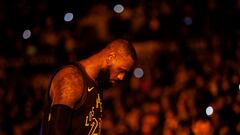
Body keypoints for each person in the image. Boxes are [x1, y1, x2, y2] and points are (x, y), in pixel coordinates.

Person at [41, 39, 137, 135]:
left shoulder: (97, 83)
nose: (121, 77)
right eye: (121, 70)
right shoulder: (72, 79)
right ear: (110, 57)